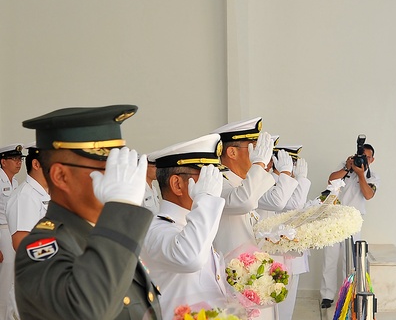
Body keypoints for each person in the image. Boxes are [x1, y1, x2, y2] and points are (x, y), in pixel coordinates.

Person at [15, 105, 162, 320]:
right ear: (61, 176)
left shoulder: (104, 235)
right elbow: (88, 311)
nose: (118, 178)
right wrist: (121, 208)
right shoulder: (43, 249)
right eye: (107, 169)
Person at [140, 134, 226, 319]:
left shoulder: (193, 223)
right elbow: (190, 258)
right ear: (177, 184)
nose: (215, 185)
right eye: (205, 178)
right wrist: (207, 200)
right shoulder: (154, 229)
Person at [320, 143, 380, 309]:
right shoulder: (345, 167)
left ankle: (348, 294)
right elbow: (331, 179)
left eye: (367, 157)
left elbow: (368, 195)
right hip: (334, 217)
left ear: (372, 159)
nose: (364, 159)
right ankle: (327, 295)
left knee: (350, 260)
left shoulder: (372, 176)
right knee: (330, 258)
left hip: (353, 220)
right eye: (361, 156)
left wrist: (361, 175)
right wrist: (348, 168)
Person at [258, 144, 312, 320]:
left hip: (287, 252)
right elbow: (292, 205)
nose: (292, 167)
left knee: (285, 307)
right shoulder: (272, 182)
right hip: (275, 253)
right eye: (290, 163)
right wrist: (301, 179)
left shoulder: (284, 181)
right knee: (279, 308)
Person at [210, 117, 275, 257]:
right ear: (232, 152)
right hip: (229, 270)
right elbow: (245, 202)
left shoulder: (241, 182)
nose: (260, 154)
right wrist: (259, 163)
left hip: (248, 268)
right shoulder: (217, 182)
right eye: (254, 147)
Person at [5, 143, 50, 319]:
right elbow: (21, 242)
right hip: (33, 284)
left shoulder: (46, 193)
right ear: (36, 165)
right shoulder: (25, 196)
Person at [0, 143, 24, 319]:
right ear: (3, 162)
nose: (18, 162)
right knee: (4, 279)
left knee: (13, 280)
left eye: (19, 159)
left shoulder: (15, 182)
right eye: (14, 159)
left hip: (12, 232)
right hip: (1, 232)